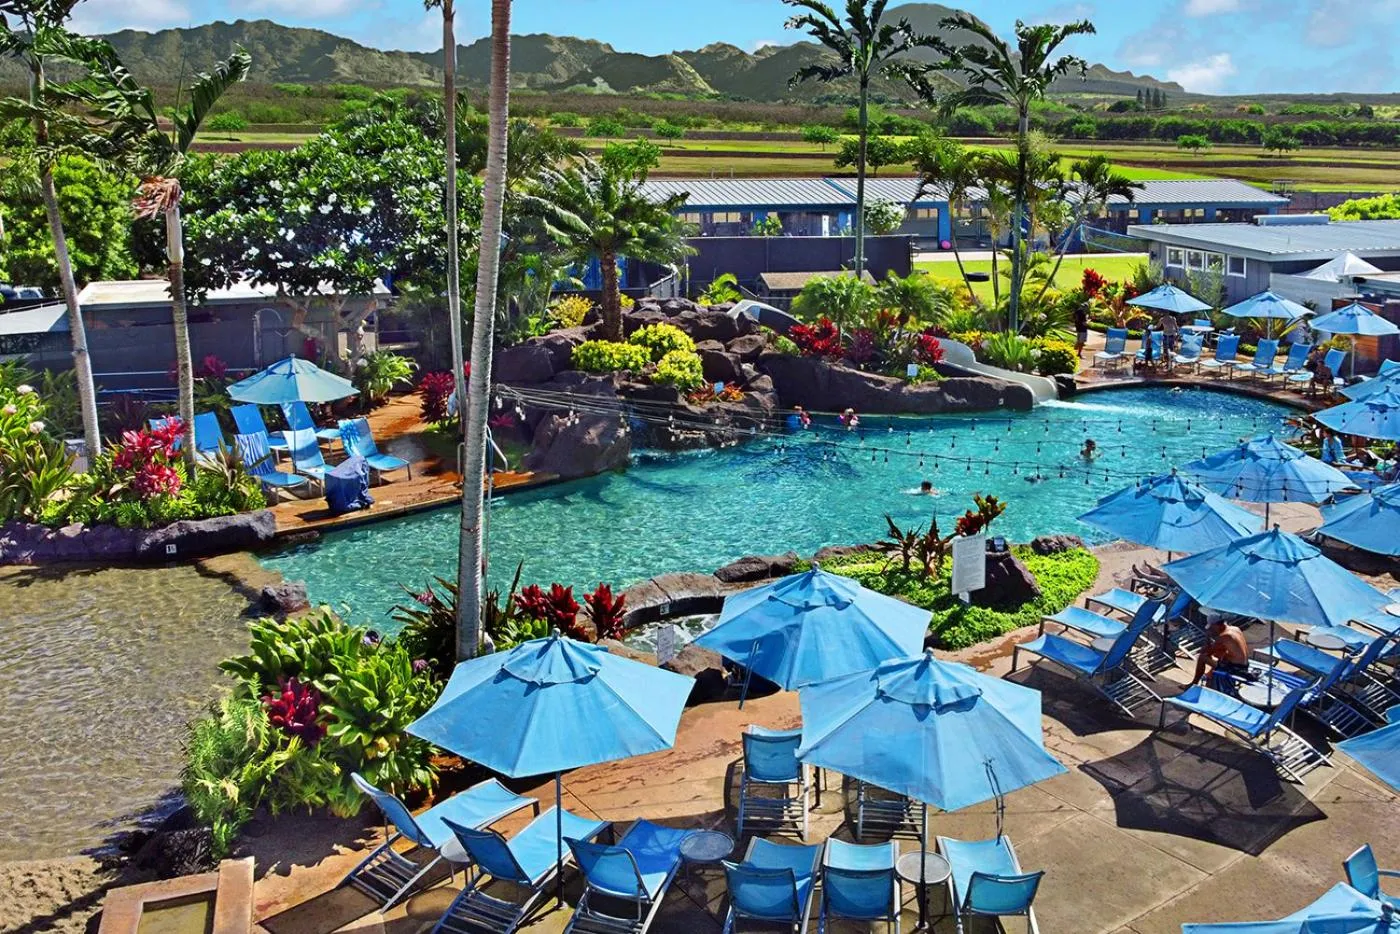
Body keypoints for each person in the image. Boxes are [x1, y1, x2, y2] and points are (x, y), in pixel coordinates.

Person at [1192, 618, 1253, 692]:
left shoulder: (1224, 636)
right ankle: (1209, 676)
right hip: (1245, 665)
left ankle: (1193, 684)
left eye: (1212, 628)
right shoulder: (1235, 629)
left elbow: (1207, 652)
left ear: (1217, 625)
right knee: (1221, 656)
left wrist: (1207, 637)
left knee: (1202, 657)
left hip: (1236, 669)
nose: (1212, 630)